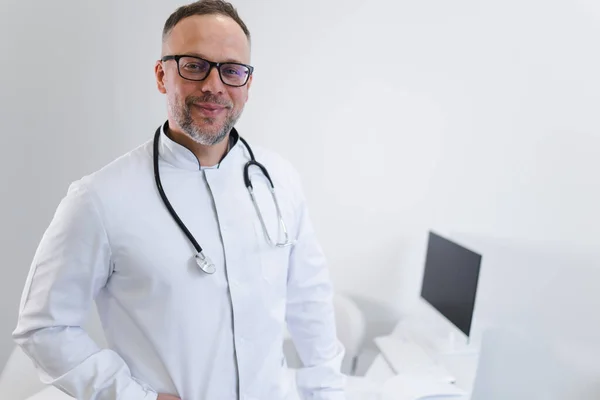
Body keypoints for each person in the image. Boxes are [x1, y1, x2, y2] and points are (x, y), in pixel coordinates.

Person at [12, 1, 346, 399]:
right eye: (194, 65)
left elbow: (309, 302)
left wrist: (327, 393)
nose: (214, 85)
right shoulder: (100, 199)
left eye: (232, 70)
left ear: (248, 83)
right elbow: (43, 327)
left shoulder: (280, 180)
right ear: (161, 75)